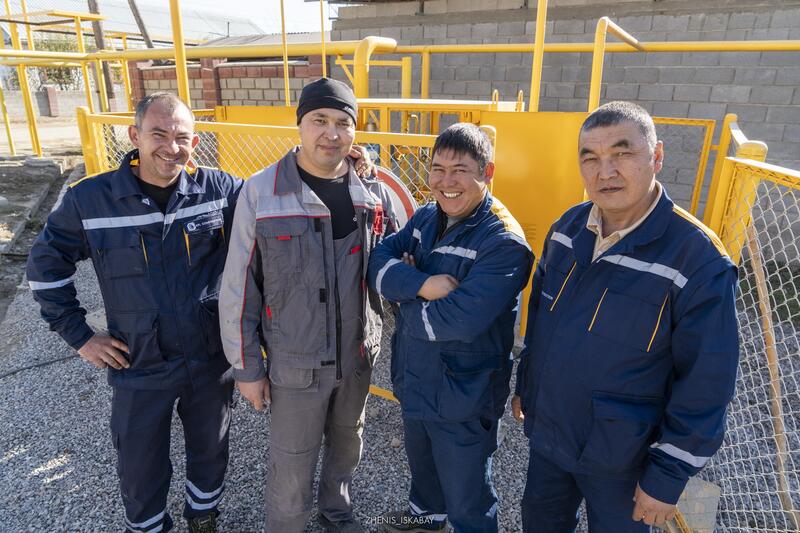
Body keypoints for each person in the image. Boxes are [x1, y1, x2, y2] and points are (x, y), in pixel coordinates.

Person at [512, 101, 740, 532]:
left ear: (657, 156)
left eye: (622, 153)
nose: (605, 172)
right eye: (591, 158)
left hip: (626, 459)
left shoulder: (696, 260)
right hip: (552, 437)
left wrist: (667, 476)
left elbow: (707, 381)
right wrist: (527, 385)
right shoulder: (567, 230)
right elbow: (540, 319)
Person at [26, 92, 242, 533]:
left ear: (195, 141)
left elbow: (277, 199)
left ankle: (203, 516)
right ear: (134, 136)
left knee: (211, 448)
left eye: (181, 137)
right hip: (139, 361)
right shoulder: (91, 200)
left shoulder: (218, 191)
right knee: (140, 461)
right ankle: (147, 527)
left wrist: (352, 168)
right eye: (158, 134)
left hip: (209, 356)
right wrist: (80, 336)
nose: (171, 147)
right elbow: (45, 268)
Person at [218, 77, 398, 533]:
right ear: (299, 124)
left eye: (343, 123)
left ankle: (336, 514)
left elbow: (395, 255)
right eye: (319, 120)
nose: (331, 134)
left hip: (356, 355)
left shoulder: (369, 192)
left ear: (355, 131)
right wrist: (247, 369)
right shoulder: (261, 192)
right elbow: (239, 288)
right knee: (292, 463)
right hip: (296, 363)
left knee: (347, 444)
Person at [367, 123, 534, 533]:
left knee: (467, 492)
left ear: (487, 172)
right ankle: (427, 516)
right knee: (422, 462)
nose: (446, 182)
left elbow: (460, 320)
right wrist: (423, 286)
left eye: (460, 170)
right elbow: (378, 262)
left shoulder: (504, 242)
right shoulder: (428, 215)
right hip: (416, 375)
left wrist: (401, 296)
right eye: (438, 169)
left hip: (464, 393)